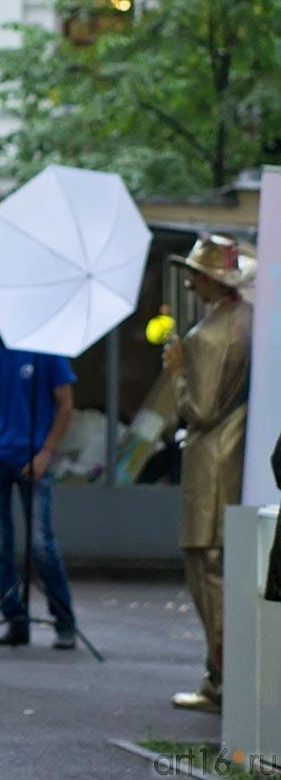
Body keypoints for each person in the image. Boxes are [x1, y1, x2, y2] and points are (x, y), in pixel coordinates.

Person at [163, 233, 255, 713]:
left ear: (208, 279)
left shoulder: (204, 337)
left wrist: (178, 369)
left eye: (196, 274)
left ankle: (220, 682)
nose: (193, 282)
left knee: (207, 575)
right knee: (224, 573)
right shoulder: (248, 321)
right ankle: (223, 678)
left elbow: (197, 410)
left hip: (210, 463)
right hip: (238, 455)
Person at [0, 322, 79, 649]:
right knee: (0, 545)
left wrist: (46, 451)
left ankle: (64, 621)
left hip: (33, 459)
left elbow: (66, 402)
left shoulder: (47, 354)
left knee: (42, 545)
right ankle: (15, 620)